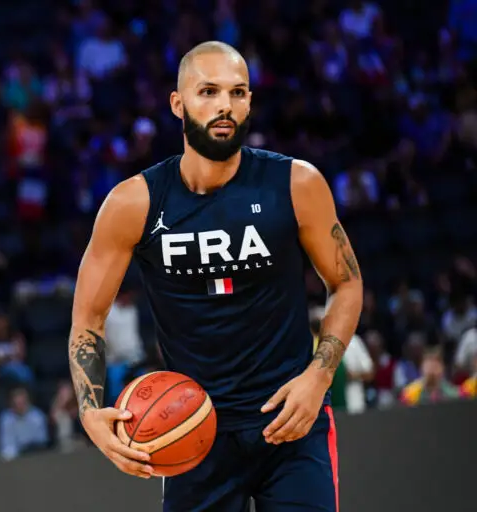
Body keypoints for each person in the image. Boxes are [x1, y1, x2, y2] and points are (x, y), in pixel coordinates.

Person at [68, 41, 363, 512]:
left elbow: (346, 282)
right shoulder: (133, 203)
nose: (225, 105)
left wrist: (319, 376)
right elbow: (88, 318)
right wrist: (89, 412)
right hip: (191, 427)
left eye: (237, 92)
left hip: (291, 419)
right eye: (208, 91)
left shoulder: (297, 184)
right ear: (177, 103)